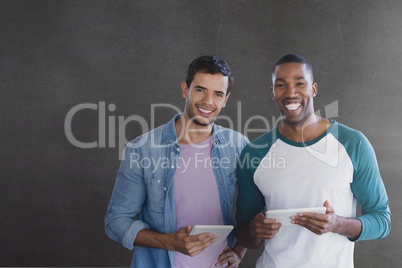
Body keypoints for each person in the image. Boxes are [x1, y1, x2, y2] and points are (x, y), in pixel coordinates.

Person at [235, 54, 391, 267]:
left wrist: (337, 225)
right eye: (281, 85)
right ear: (273, 92)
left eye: (300, 83)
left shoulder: (352, 143)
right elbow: (244, 234)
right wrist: (254, 230)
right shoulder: (255, 153)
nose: (291, 93)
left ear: (313, 89)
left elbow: (382, 221)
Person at [105, 55, 248, 268]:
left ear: (226, 99)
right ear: (185, 90)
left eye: (217, 94)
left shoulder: (238, 145)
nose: (208, 102)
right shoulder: (143, 149)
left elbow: (254, 209)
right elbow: (116, 221)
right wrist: (169, 242)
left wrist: (239, 252)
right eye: (200, 90)